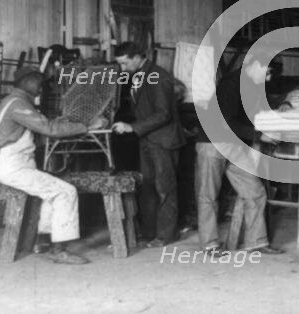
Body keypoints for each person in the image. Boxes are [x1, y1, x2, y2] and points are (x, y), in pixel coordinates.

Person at [0, 67, 105, 264]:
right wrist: (87, 127)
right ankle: (59, 250)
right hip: (12, 167)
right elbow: (49, 129)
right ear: (26, 82)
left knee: (53, 190)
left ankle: (43, 241)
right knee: (65, 191)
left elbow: (43, 125)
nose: (43, 88)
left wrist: (63, 123)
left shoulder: (11, 102)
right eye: (39, 83)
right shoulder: (18, 105)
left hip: (12, 164)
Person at [194, 51, 283, 254]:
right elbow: (225, 122)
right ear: (255, 66)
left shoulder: (252, 86)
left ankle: (257, 242)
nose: (269, 78)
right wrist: (260, 136)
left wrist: (279, 109)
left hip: (234, 144)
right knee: (208, 195)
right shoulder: (231, 84)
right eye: (268, 72)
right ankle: (209, 245)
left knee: (255, 191)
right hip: (212, 142)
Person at [112, 42, 186, 248]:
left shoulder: (158, 76)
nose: (123, 69)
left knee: (165, 188)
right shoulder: (141, 74)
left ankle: (166, 235)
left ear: (137, 57)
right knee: (148, 187)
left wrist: (132, 127)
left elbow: (164, 114)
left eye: (125, 63)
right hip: (148, 139)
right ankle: (150, 232)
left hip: (163, 140)